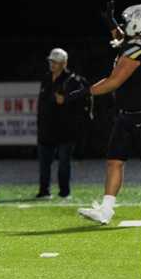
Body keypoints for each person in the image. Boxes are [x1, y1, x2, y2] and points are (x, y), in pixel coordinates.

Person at [78, 3, 141, 225]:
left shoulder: (138, 49)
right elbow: (122, 38)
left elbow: (114, 81)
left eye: (127, 21)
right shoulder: (135, 43)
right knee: (114, 161)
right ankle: (106, 210)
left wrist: (85, 91)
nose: (125, 25)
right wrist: (112, 22)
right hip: (128, 115)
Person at [36, 47, 88, 200]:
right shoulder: (46, 78)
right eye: (51, 61)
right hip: (46, 128)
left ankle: (64, 192)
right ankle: (44, 191)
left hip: (66, 129)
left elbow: (81, 102)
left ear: (64, 63)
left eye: (56, 62)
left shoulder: (73, 80)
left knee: (64, 164)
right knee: (44, 163)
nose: (52, 64)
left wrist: (66, 100)